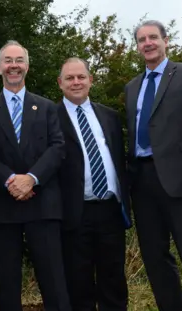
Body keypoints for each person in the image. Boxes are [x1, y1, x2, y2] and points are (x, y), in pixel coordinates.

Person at [125, 20, 182, 311]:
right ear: (138, 46)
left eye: (153, 37)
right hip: (142, 180)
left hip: (181, 178)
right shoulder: (132, 87)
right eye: (142, 40)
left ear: (166, 41)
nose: (148, 43)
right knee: (155, 257)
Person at [0, 40, 71, 311]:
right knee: (6, 284)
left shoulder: (47, 107)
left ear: (27, 66)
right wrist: (10, 180)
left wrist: (31, 178)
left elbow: (58, 147)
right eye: (8, 60)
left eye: (18, 60)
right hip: (3, 207)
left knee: (54, 280)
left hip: (43, 204)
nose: (13, 66)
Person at [57, 57, 131, 311]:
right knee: (78, 282)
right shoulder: (49, 117)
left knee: (114, 279)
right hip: (74, 211)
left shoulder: (110, 116)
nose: (76, 82)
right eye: (70, 78)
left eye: (81, 77)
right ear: (60, 83)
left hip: (110, 209)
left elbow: (120, 160)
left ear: (91, 80)